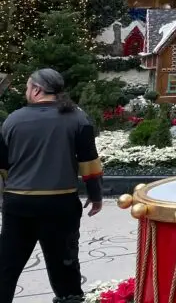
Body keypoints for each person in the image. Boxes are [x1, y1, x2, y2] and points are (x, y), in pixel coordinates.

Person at [0, 69, 104, 303]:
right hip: (61, 204)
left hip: (19, 204)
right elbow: (89, 161)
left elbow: (2, 166)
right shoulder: (77, 117)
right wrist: (96, 195)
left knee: (7, 265)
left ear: (36, 89)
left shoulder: (13, 119)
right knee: (65, 265)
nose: (27, 92)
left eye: (27, 87)